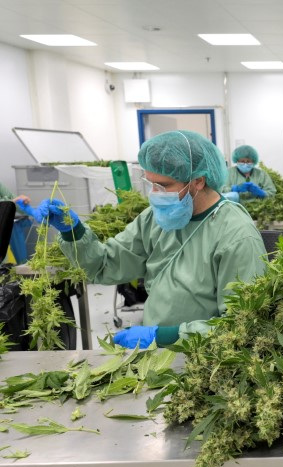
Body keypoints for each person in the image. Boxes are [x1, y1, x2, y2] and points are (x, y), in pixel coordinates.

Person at [16, 130, 267, 349]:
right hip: (156, 356)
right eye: (152, 184)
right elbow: (106, 265)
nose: (155, 194)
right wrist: (74, 231)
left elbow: (242, 324)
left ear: (198, 181)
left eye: (164, 185)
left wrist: (166, 336)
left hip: (208, 360)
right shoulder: (156, 219)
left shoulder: (236, 235)